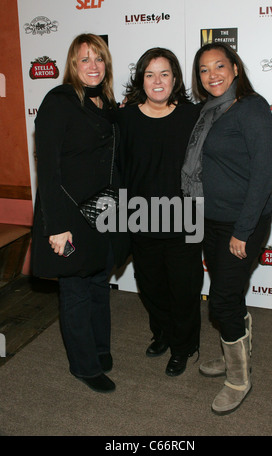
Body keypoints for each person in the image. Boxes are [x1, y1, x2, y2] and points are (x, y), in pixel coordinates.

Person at [181, 43, 272, 414]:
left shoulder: (252, 109)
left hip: (243, 223)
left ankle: (239, 378)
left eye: (220, 66)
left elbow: (261, 179)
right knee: (228, 295)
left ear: (235, 68)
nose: (212, 75)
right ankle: (235, 350)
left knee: (220, 300)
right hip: (212, 218)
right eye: (204, 70)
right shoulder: (209, 111)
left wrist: (243, 230)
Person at [31, 33, 129, 393]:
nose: (93, 66)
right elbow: (50, 170)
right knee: (75, 290)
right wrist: (56, 226)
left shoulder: (107, 104)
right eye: (84, 59)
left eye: (99, 59)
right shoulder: (58, 101)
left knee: (99, 285)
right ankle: (83, 366)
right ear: (73, 65)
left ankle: (99, 349)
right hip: (69, 216)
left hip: (103, 213)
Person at [118, 48, 203, 377]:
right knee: (150, 286)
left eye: (164, 73)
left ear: (175, 79)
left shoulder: (192, 116)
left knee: (184, 288)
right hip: (141, 217)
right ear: (141, 78)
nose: (157, 80)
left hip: (185, 218)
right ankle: (164, 333)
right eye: (150, 74)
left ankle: (184, 346)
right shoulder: (124, 118)